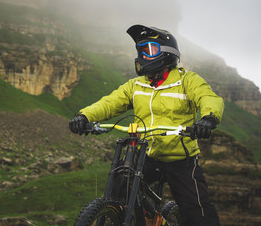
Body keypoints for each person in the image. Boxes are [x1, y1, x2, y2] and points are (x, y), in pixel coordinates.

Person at [69, 25, 224, 226]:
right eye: (140, 51)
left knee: (196, 211)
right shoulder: (136, 85)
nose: (143, 56)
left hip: (180, 157)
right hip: (145, 154)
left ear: (168, 53)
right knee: (119, 193)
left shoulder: (188, 80)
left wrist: (208, 119)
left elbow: (209, 98)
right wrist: (84, 116)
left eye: (149, 50)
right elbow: (110, 102)